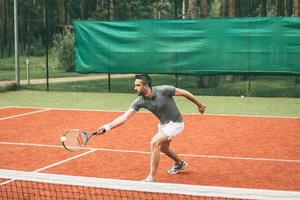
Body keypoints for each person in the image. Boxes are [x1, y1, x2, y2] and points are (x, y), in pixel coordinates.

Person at [97, 74, 206, 182]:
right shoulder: (140, 101)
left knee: (155, 143)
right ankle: (180, 163)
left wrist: (199, 104)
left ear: (146, 85)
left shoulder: (163, 90)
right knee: (164, 148)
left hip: (176, 123)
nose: (135, 88)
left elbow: (184, 93)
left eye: (138, 85)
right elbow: (124, 117)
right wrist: (107, 127)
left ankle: (151, 177)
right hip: (163, 124)